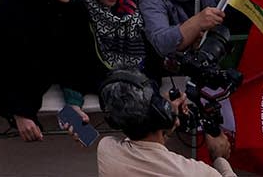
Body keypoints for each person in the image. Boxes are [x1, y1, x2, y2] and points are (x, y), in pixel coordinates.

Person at [0, 0, 103, 140]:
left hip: (54, 89)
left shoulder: (73, 5)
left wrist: (73, 102)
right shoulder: (6, 10)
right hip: (15, 111)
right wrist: (20, 111)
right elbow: (0, 68)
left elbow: (77, 57)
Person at [95, 69, 236, 177]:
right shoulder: (196, 173)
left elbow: (148, 148)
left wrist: (168, 117)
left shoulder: (106, 149)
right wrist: (219, 158)